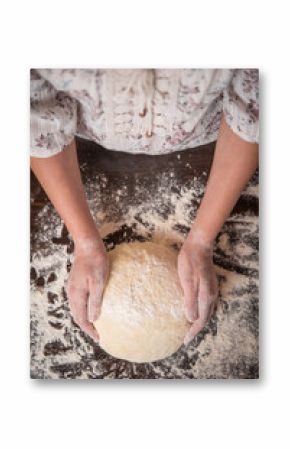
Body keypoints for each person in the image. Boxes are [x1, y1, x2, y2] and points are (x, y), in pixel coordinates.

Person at [30, 69, 259, 345]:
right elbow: (36, 117)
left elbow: (254, 108)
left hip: (214, 140)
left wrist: (201, 240)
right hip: (85, 140)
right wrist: (85, 243)